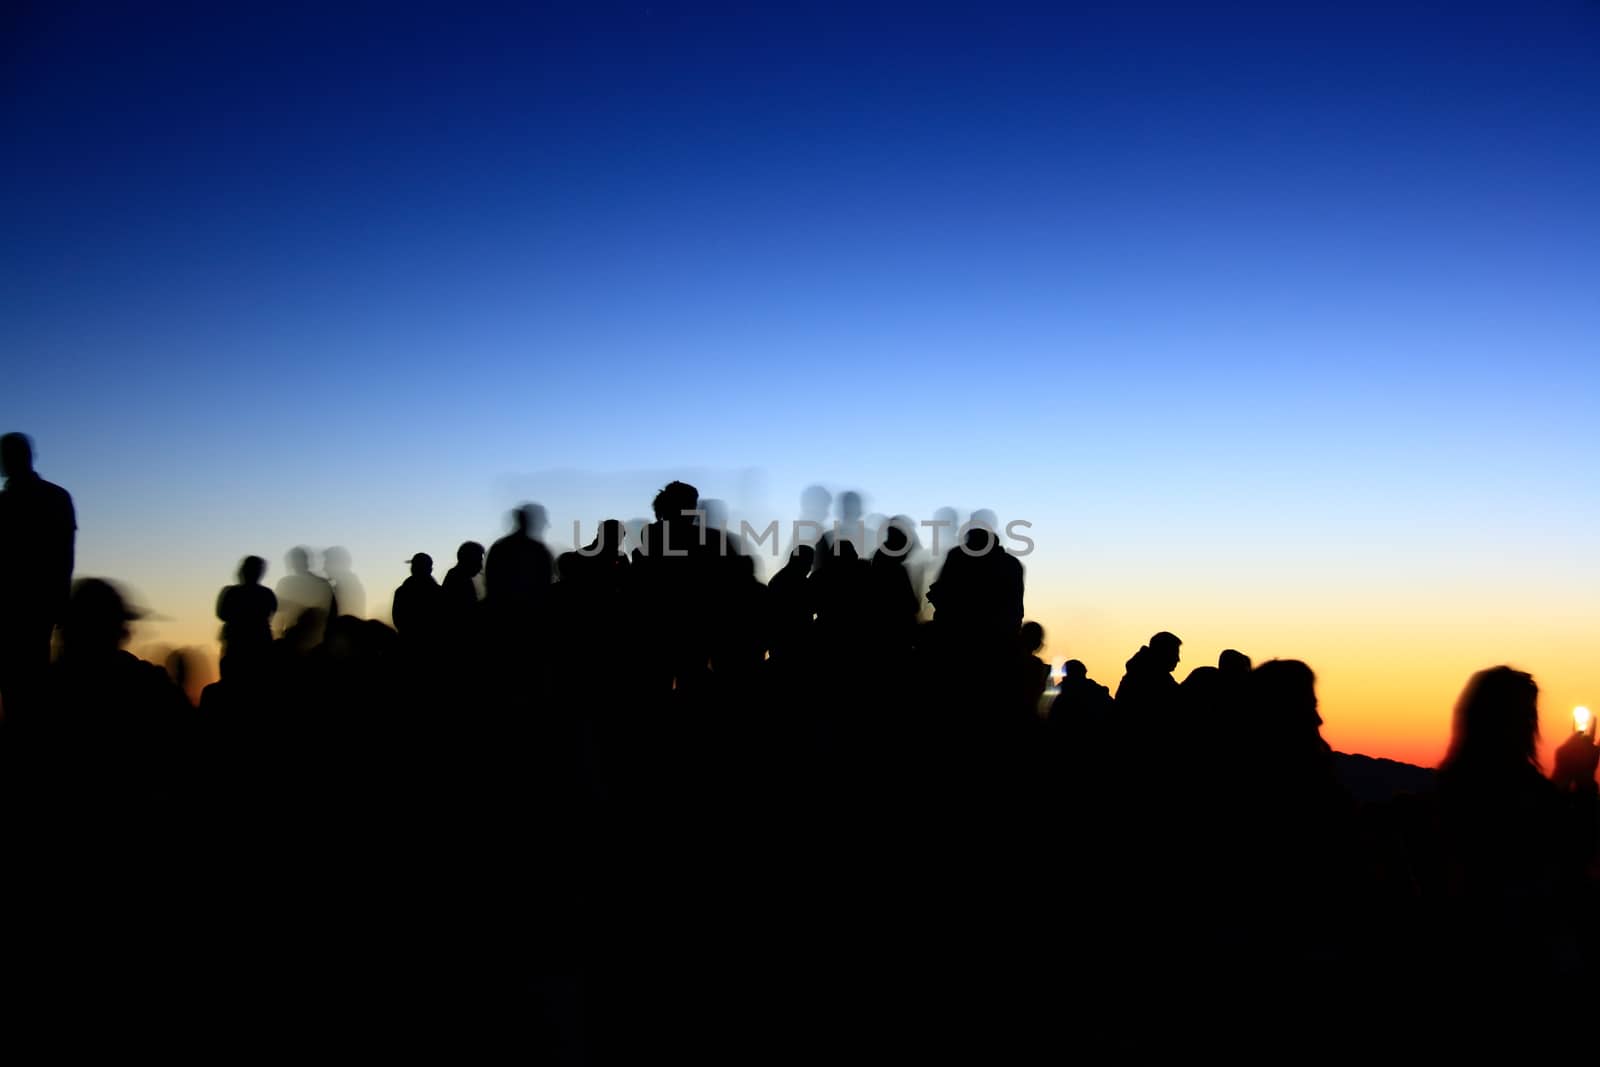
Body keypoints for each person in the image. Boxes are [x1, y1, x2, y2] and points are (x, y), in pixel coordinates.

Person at [0, 432, 76, 716]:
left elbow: (63, 557)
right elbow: (65, 556)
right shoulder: (56, 497)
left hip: (28, 611)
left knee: (24, 694)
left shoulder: (48, 499)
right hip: (35, 611)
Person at [216, 556, 277, 671]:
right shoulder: (267, 594)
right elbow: (271, 613)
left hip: (237, 644)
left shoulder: (231, 592)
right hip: (259, 643)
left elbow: (221, 614)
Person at [392, 553, 442, 641]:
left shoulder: (401, 591)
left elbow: (397, 620)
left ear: (413, 568)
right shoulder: (439, 592)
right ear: (430, 570)